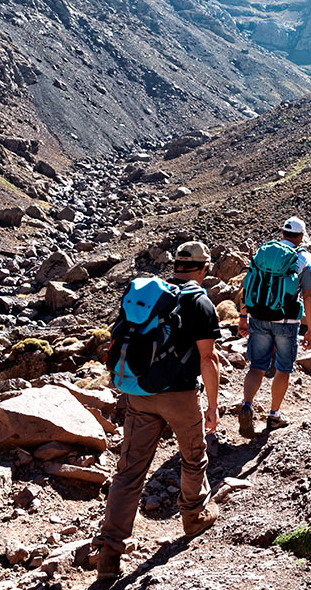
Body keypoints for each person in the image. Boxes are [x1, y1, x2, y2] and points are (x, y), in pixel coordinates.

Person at [95, 241, 222, 582]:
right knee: (193, 457)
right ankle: (193, 517)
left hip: (139, 394)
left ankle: (110, 552)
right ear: (204, 267)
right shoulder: (200, 302)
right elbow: (208, 359)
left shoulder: (154, 295)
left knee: (129, 472)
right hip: (180, 396)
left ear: (176, 266)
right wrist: (212, 406)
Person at [237, 217, 311, 436]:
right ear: (301, 236)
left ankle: (247, 405)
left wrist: (243, 316)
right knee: (283, 367)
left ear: (282, 232)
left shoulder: (265, 252)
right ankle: (274, 415)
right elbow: (308, 296)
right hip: (287, 322)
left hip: (259, 317)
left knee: (257, 366)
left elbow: (248, 285)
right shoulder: (302, 258)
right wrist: (310, 329)